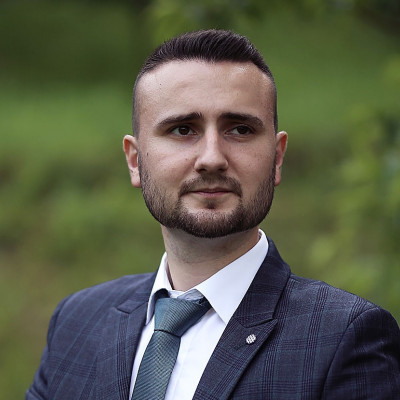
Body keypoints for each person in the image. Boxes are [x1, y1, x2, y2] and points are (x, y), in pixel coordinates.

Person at [26, 29, 400, 400]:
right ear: (135, 161)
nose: (211, 158)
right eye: (182, 129)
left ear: (277, 157)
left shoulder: (344, 339)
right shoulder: (75, 324)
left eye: (240, 129)